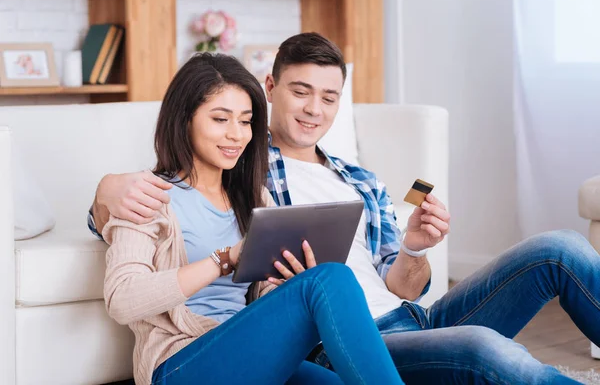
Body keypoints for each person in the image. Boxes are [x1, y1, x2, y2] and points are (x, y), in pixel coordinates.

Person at [89, 34, 598, 384]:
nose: (314, 109)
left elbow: (396, 283)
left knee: (561, 248)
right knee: (492, 352)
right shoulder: (253, 167)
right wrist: (105, 191)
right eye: (301, 92)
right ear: (271, 91)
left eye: (329, 98)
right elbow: (127, 249)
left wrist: (414, 250)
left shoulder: (350, 181)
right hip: (328, 334)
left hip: (409, 315)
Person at [99, 52, 404, 385]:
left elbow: (255, 302)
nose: (237, 134)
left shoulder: (255, 197)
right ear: (184, 118)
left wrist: (284, 285)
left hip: (250, 356)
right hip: (180, 364)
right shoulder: (146, 195)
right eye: (220, 119)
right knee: (331, 278)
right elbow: (122, 300)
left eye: (245, 121)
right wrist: (224, 260)